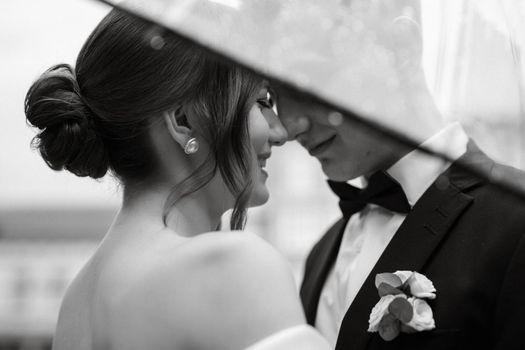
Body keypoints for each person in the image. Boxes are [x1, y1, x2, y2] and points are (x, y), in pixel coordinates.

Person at [24, 9, 331, 350]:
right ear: (183, 120)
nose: (280, 130)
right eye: (260, 102)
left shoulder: (75, 306)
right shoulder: (231, 267)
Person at [274, 1, 525, 349]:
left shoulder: (516, 217)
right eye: (273, 95)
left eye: (305, 81)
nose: (288, 126)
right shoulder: (322, 253)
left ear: (400, 48)